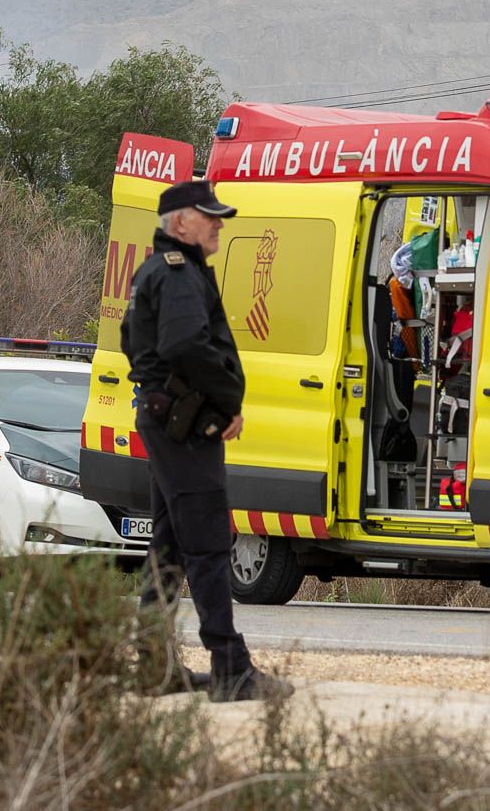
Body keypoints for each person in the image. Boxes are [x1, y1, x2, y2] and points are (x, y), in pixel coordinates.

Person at [124, 180, 292, 703]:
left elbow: (132, 341)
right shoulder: (177, 273)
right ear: (180, 223)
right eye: (209, 215)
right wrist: (224, 403)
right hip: (185, 427)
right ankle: (231, 669)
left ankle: (153, 666)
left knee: (169, 547)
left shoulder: (156, 270)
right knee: (210, 546)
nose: (218, 223)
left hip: (169, 421)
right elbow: (185, 345)